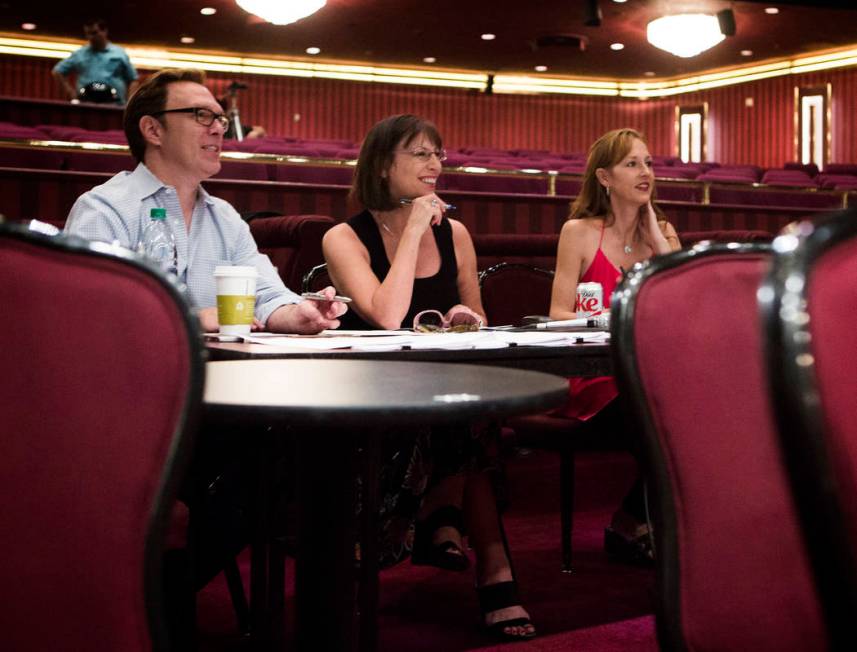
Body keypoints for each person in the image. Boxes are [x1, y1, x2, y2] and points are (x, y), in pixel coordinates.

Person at [323, 113, 535, 641]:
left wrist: (468, 319)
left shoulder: (456, 233)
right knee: (468, 421)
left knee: (468, 411)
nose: (435, 164)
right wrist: (415, 226)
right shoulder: (343, 238)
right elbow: (386, 315)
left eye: (438, 153)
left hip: (443, 385)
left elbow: (477, 314)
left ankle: (467, 540)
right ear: (382, 163)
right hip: (372, 394)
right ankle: (460, 532)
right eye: (420, 153)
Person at [65, 67, 345, 334]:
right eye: (201, 115)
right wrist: (190, 318)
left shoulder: (224, 218)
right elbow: (90, 310)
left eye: (220, 119)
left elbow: (263, 294)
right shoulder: (104, 210)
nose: (219, 129)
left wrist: (298, 313)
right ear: (153, 130)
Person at [550, 127, 680, 563]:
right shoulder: (579, 231)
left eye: (648, 163)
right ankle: (645, 524)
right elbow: (557, 313)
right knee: (665, 414)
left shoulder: (665, 232)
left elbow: (680, 308)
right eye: (631, 164)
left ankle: (632, 519)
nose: (645, 172)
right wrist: (605, 318)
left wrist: (659, 244)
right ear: (604, 178)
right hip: (594, 378)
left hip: (648, 374)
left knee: (690, 409)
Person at [52, 18, 139, 105]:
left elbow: (133, 79)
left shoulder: (119, 53)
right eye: (88, 34)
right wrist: (71, 94)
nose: (91, 37)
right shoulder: (79, 54)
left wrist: (129, 104)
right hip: (86, 104)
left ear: (105, 31)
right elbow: (57, 72)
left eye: (94, 33)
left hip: (113, 105)